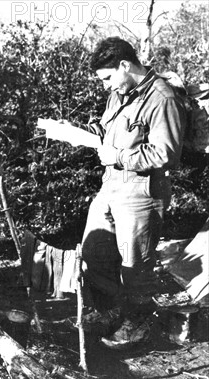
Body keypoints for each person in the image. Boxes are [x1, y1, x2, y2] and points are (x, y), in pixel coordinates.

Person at [80, 37, 185, 334]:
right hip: (111, 185)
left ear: (125, 65)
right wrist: (94, 131)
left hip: (141, 192)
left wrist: (119, 155)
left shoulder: (162, 98)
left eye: (107, 77)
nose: (105, 85)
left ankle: (137, 323)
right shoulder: (119, 91)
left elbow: (166, 153)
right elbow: (116, 130)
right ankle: (110, 311)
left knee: (135, 264)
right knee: (94, 251)